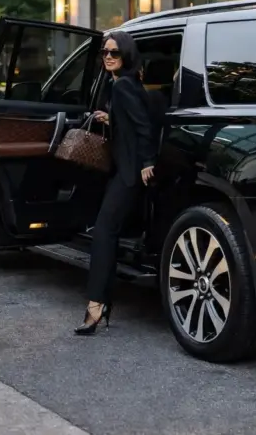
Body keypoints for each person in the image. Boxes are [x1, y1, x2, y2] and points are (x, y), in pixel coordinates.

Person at [75, 31, 156, 335]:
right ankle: (100, 303)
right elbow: (135, 119)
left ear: (126, 56)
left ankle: (97, 305)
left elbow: (144, 126)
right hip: (127, 170)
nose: (108, 57)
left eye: (114, 53)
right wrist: (111, 120)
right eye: (105, 53)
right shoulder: (127, 83)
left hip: (130, 172)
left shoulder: (122, 86)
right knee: (106, 233)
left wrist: (148, 162)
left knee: (104, 233)